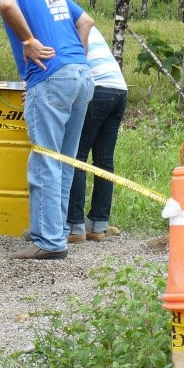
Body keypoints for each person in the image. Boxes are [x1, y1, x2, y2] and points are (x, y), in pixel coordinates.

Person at [0, 0, 95, 260]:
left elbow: (5, 6)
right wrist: (72, 61)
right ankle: (58, 229)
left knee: (45, 159)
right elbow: (85, 21)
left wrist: (28, 40)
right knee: (65, 160)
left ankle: (48, 240)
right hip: (82, 75)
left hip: (50, 76)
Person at [66, 26, 127, 242]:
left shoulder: (64, 25)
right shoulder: (83, 22)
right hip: (119, 89)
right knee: (104, 162)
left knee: (77, 158)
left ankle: (74, 226)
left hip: (98, 89)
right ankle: (98, 226)